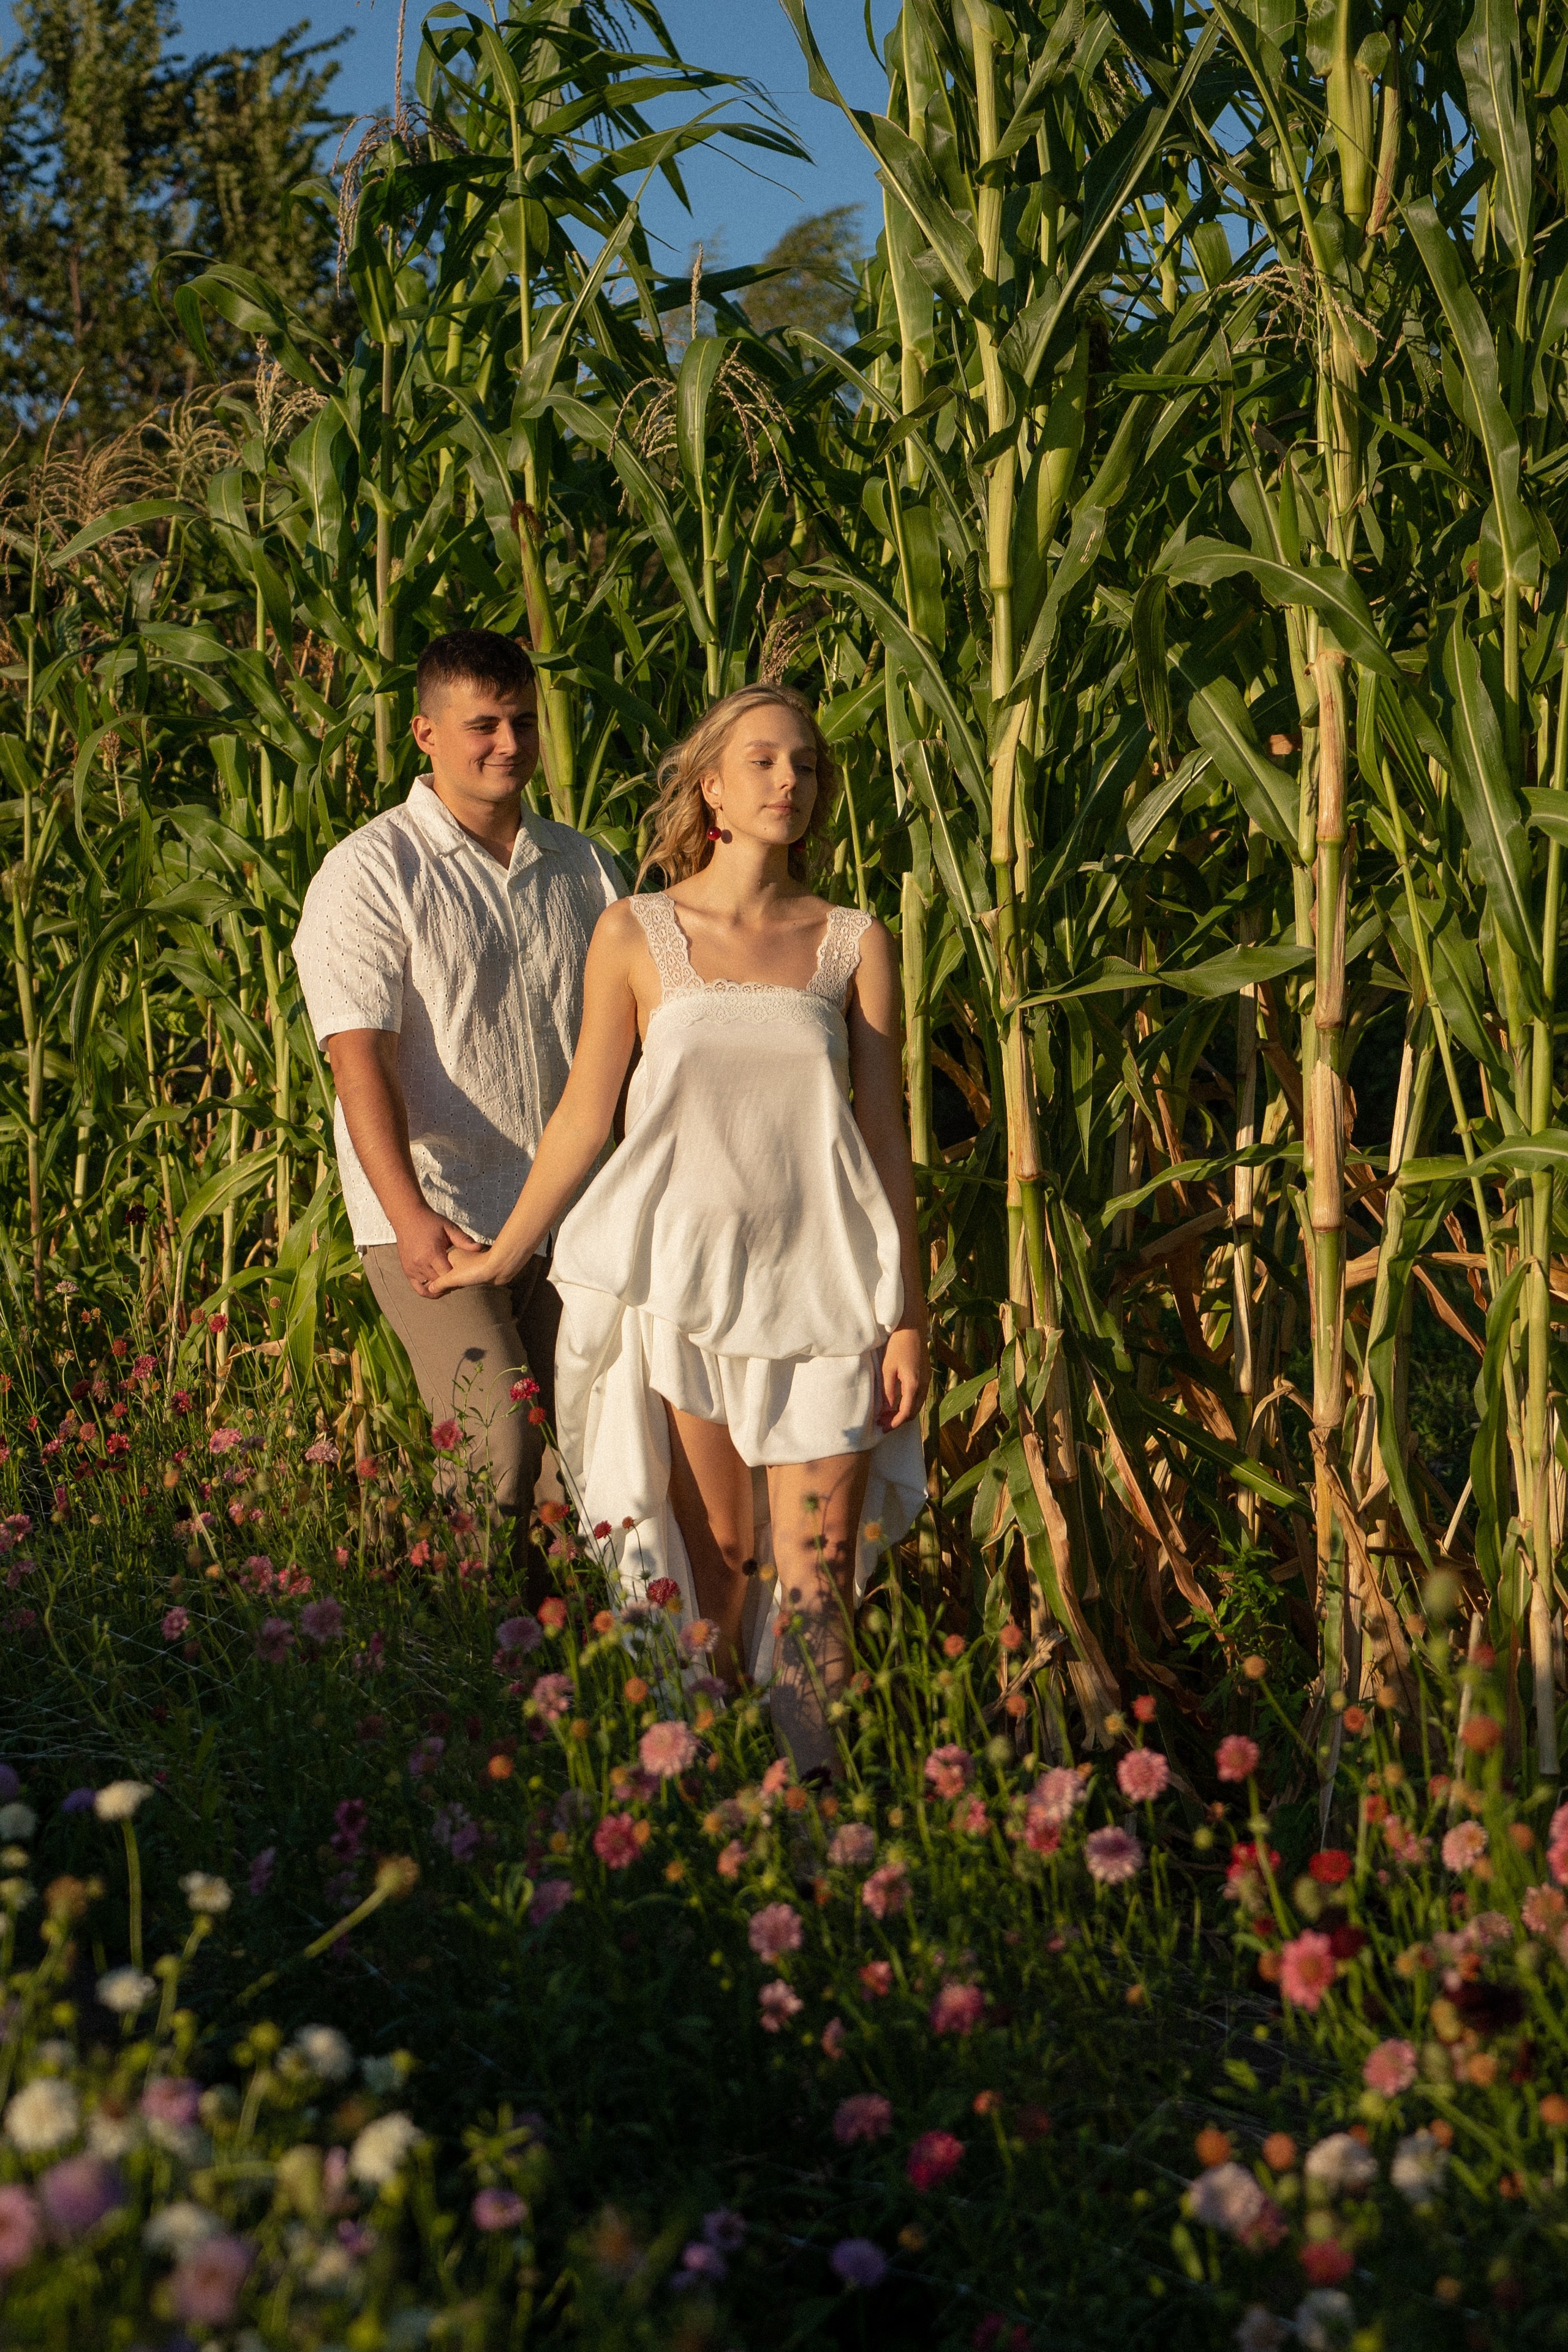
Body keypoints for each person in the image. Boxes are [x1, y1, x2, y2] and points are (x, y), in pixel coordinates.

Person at [428, 681, 929, 1773]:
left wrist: (907, 1320)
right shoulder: (639, 932)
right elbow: (582, 1119)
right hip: (686, 1289)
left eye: (806, 764)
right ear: (712, 787)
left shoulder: (853, 941)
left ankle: (819, 1837)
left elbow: (887, 1140)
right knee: (726, 1570)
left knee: (819, 1580)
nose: (789, 780)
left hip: (830, 1293)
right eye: (762, 761)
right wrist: (504, 1257)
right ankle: (713, 1817)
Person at [293, 629, 622, 1554]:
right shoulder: (369, 872)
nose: (509, 744)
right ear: (425, 734)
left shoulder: (585, 867)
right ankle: (465, 1671)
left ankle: (570, 1680)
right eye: (483, 725)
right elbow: (359, 1060)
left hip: (571, 1213)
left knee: (591, 1468)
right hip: (438, 1211)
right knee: (498, 1449)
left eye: (522, 722)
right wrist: (408, 1218)